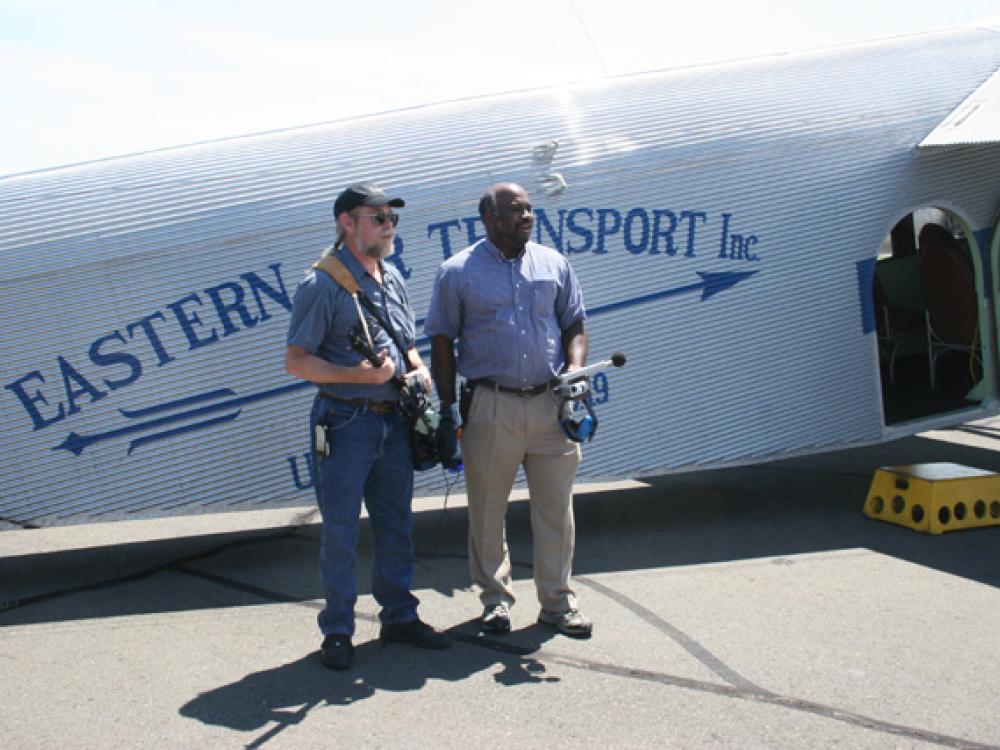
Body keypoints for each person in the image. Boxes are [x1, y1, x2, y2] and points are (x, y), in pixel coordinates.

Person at [285, 181, 450, 670]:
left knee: (396, 523)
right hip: (344, 421)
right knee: (339, 531)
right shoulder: (321, 284)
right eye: (377, 217)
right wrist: (357, 375)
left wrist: (416, 367)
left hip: (393, 420)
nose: (388, 225)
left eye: (391, 218)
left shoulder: (392, 277)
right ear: (347, 223)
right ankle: (337, 630)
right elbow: (296, 360)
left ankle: (399, 615)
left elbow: (406, 341)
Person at [425, 182, 593, 638]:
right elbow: (441, 340)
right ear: (490, 219)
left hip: (550, 406)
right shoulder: (456, 272)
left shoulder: (554, 263)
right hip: (490, 405)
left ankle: (558, 603)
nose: (526, 216)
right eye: (515, 210)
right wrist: (446, 408)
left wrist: (575, 368)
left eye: (529, 209)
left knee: (556, 510)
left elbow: (574, 320)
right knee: (486, 510)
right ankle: (495, 601)